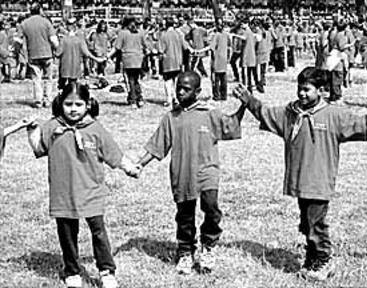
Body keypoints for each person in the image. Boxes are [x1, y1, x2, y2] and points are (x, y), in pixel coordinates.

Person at [232, 66, 367, 282]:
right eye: (299, 89)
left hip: (319, 179)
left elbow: (361, 123)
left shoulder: (333, 115)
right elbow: (265, 112)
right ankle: (311, 258)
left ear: (321, 90)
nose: (301, 94)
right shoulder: (291, 113)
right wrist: (248, 99)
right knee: (306, 222)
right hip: (300, 179)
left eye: (307, 90)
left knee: (316, 222)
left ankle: (324, 260)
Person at [27, 82, 140, 288]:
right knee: (67, 233)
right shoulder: (53, 127)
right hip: (63, 193)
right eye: (68, 104)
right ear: (61, 103)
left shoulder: (95, 129)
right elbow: (38, 148)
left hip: (91, 191)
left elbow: (113, 153)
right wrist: (32, 130)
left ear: (87, 104)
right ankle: (72, 270)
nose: (73, 108)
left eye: (78, 104)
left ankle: (106, 271)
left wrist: (129, 168)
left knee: (98, 232)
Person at [135, 71, 246, 275]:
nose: (180, 92)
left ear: (198, 91)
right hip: (183, 172)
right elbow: (157, 145)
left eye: (186, 89)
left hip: (207, 171)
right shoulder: (171, 117)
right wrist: (140, 164)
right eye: (178, 88)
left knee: (211, 209)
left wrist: (244, 105)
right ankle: (185, 251)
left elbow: (231, 125)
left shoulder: (209, 114)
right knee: (185, 215)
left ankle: (208, 246)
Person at [20, 2, 59, 108]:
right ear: (40, 10)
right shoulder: (46, 22)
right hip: (47, 54)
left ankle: (38, 100)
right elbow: (53, 40)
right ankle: (47, 100)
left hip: (33, 54)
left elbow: (18, 40)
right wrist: (57, 50)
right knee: (49, 78)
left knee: (36, 79)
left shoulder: (24, 23)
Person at [108, 15, 148, 108]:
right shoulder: (140, 33)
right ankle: (140, 98)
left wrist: (108, 56)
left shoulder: (122, 33)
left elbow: (116, 47)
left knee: (130, 80)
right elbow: (145, 46)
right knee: (136, 79)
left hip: (127, 58)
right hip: (138, 58)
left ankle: (133, 100)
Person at [56, 18, 104, 90]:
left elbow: (58, 54)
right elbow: (87, 53)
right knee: (73, 86)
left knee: (61, 87)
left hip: (64, 68)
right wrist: (97, 59)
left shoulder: (64, 40)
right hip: (75, 68)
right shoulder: (79, 40)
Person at [158, 16, 189, 107]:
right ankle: (177, 98)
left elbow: (161, 50)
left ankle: (169, 99)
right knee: (176, 81)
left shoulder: (163, 35)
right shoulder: (179, 34)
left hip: (167, 61)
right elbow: (185, 47)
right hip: (178, 61)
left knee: (168, 81)